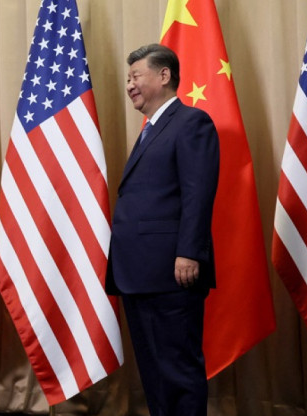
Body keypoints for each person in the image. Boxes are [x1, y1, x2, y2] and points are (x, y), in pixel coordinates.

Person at [107, 43, 220, 415]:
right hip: (139, 274)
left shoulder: (191, 122)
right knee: (154, 372)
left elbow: (197, 193)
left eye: (135, 76)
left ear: (164, 75)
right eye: (128, 79)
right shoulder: (151, 129)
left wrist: (189, 252)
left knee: (177, 369)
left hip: (171, 272)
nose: (130, 85)